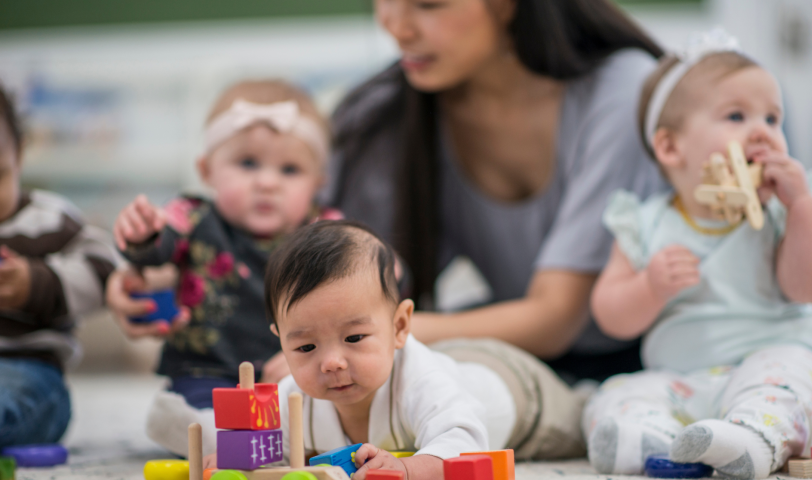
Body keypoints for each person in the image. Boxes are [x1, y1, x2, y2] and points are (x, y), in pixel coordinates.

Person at [326, 0, 666, 381]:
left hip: (649, 366)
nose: (396, 27)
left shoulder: (623, 88)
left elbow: (554, 319)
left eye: (428, 4)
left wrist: (355, 336)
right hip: (515, 359)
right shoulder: (381, 114)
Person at [582, 32, 812, 479]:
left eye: (773, 118)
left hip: (772, 358)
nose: (763, 131)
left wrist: (801, 207)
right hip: (684, 378)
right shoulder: (642, 222)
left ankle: (751, 438)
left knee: (785, 387)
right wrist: (649, 287)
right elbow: (610, 315)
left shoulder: (783, 211)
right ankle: (653, 438)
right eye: (737, 115)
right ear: (670, 147)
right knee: (616, 393)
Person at [205, 220, 589, 477]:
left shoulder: (420, 380)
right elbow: (270, 451)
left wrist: (409, 470)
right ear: (281, 342)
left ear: (400, 326)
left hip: (517, 390)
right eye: (305, 346)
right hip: (453, 361)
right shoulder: (294, 398)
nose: (332, 362)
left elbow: (466, 441)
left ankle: (589, 396)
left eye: (354, 338)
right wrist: (234, 463)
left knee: (579, 419)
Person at [112, 79, 341, 456]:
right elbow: (159, 247)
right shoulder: (192, 216)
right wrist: (143, 236)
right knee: (199, 410)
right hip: (208, 370)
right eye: (247, 163)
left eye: (289, 170)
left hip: (294, 370)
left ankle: (271, 438)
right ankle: (199, 430)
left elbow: (360, 270)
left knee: (322, 409)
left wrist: (384, 266)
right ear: (207, 170)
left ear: (318, 183)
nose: (267, 182)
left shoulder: (325, 229)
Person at [0, 84, 119, 447]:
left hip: (27, 367)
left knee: (21, 399)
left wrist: (36, 284)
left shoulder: (48, 219)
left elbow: (104, 270)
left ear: (19, 157)